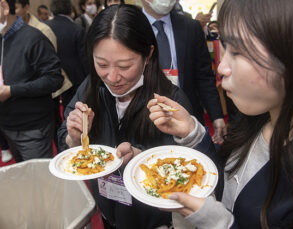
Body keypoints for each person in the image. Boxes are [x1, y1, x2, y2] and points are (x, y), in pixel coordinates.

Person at [145, 0, 293, 228]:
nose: (222, 68)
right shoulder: (253, 119)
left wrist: (221, 224)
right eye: (225, 48)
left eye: (237, 52)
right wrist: (192, 133)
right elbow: (226, 178)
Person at [57, 4, 213, 229]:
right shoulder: (91, 87)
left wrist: (139, 158)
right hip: (109, 209)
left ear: (148, 55)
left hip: (154, 220)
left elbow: (190, 172)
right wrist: (73, 138)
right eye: (101, 64)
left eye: (124, 65)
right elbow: (64, 139)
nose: (112, 77)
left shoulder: (171, 102)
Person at [140, 0, 226, 145]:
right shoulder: (131, 27)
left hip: (189, 117)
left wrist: (216, 116)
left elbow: (204, 76)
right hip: (144, 120)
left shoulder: (191, 27)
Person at [0, 0, 63, 162]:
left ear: (5, 7)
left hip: (32, 128)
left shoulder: (33, 37)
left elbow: (54, 79)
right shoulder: (2, 39)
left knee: (39, 181)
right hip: (7, 125)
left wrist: (12, 90)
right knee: (24, 176)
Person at [46, 0, 89, 112]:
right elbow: (84, 58)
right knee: (73, 109)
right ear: (71, 10)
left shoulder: (45, 28)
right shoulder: (77, 29)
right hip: (75, 78)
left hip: (50, 77)